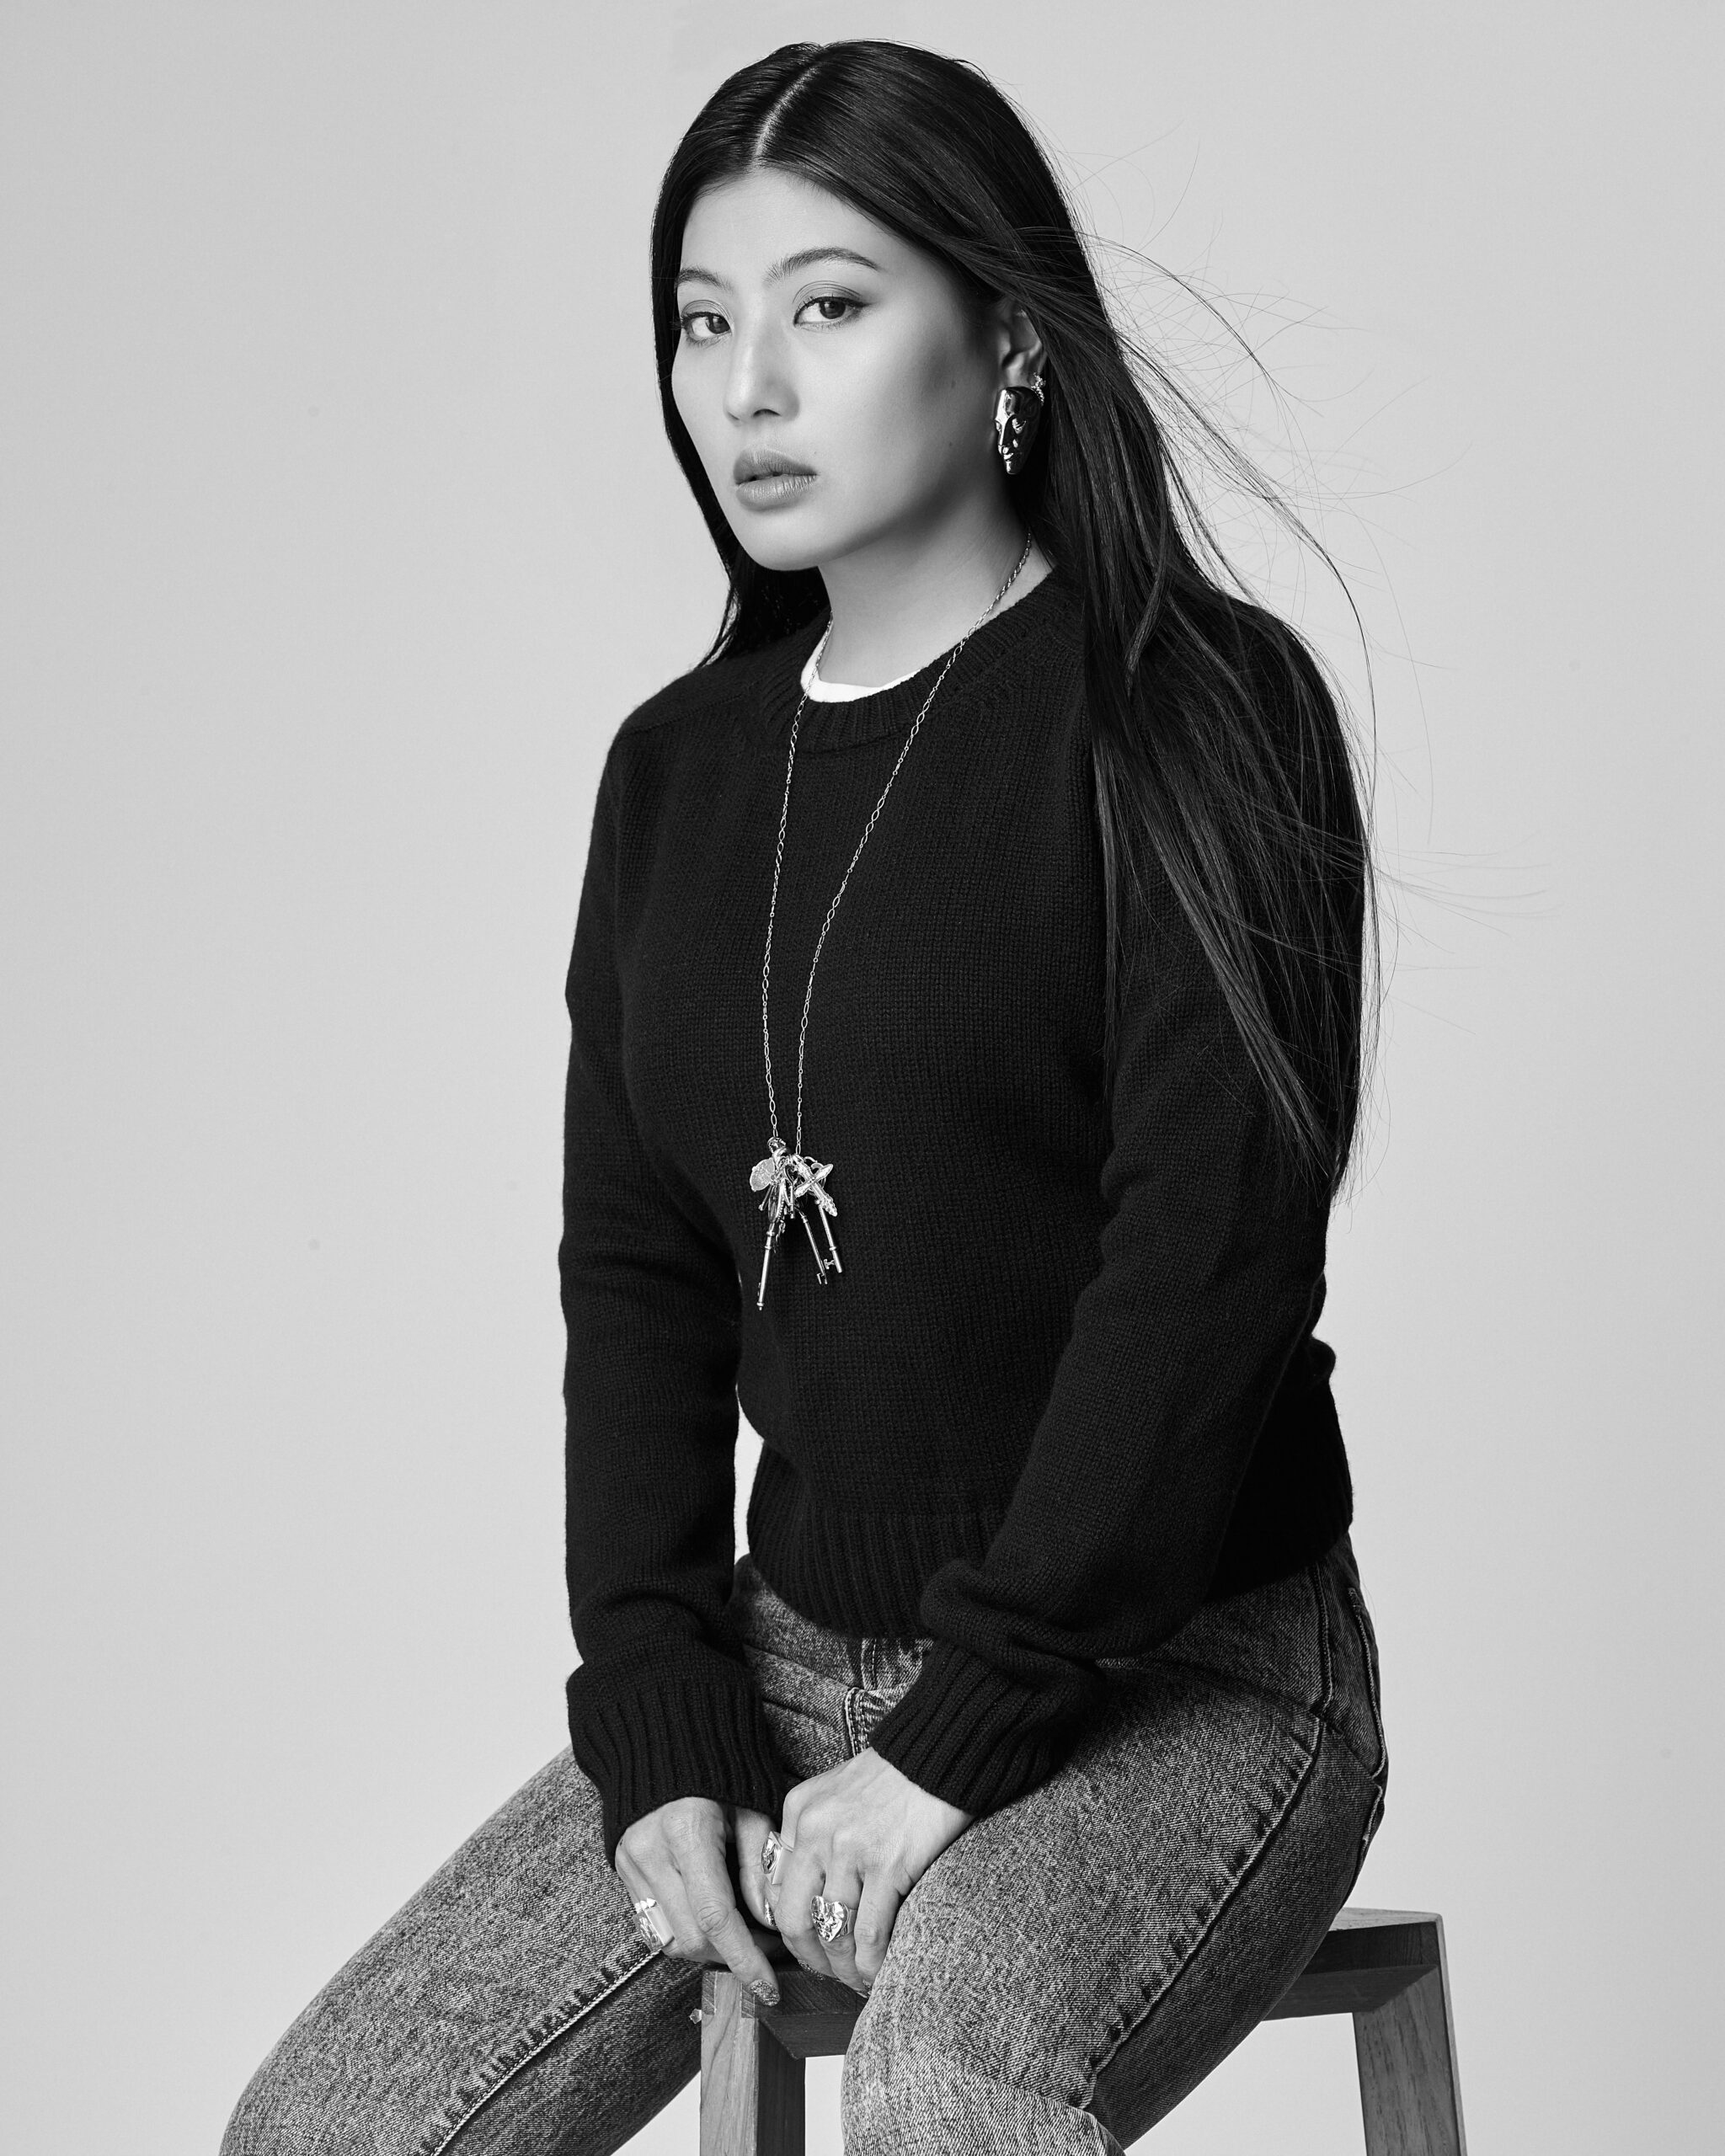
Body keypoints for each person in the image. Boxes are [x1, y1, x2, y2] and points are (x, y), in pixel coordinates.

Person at [223, 37, 1388, 2156]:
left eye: (827, 306)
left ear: (1007, 334)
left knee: (946, 2094)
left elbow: (1205, 1273)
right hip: (785, 1666)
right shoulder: (676, 773)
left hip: (1187, 1673)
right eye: (702, 321)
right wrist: (660, 1719)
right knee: (331, 2128)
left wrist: (958, 1735)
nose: (747, 386)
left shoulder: (1197, 713)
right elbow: (639, 1280)